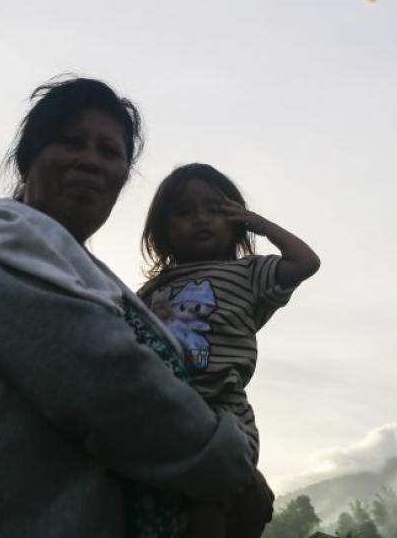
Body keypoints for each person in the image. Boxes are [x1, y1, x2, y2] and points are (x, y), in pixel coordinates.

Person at [0, 78, 253, 537]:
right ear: (30, 157)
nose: (90, 160)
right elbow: (108, 386)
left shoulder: (98, 281)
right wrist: (232, 467)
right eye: (71, 142)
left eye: (110, 152)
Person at [140, 163, 321, 538]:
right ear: (163, 231)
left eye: (215, 210)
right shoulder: (150, 291)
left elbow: (306, 262)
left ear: (235, 222)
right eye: (185, 212)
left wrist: (260, 224)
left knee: (209, 501)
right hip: (162, 414)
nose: (201, 220)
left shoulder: (248, 273)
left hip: (223, 415)